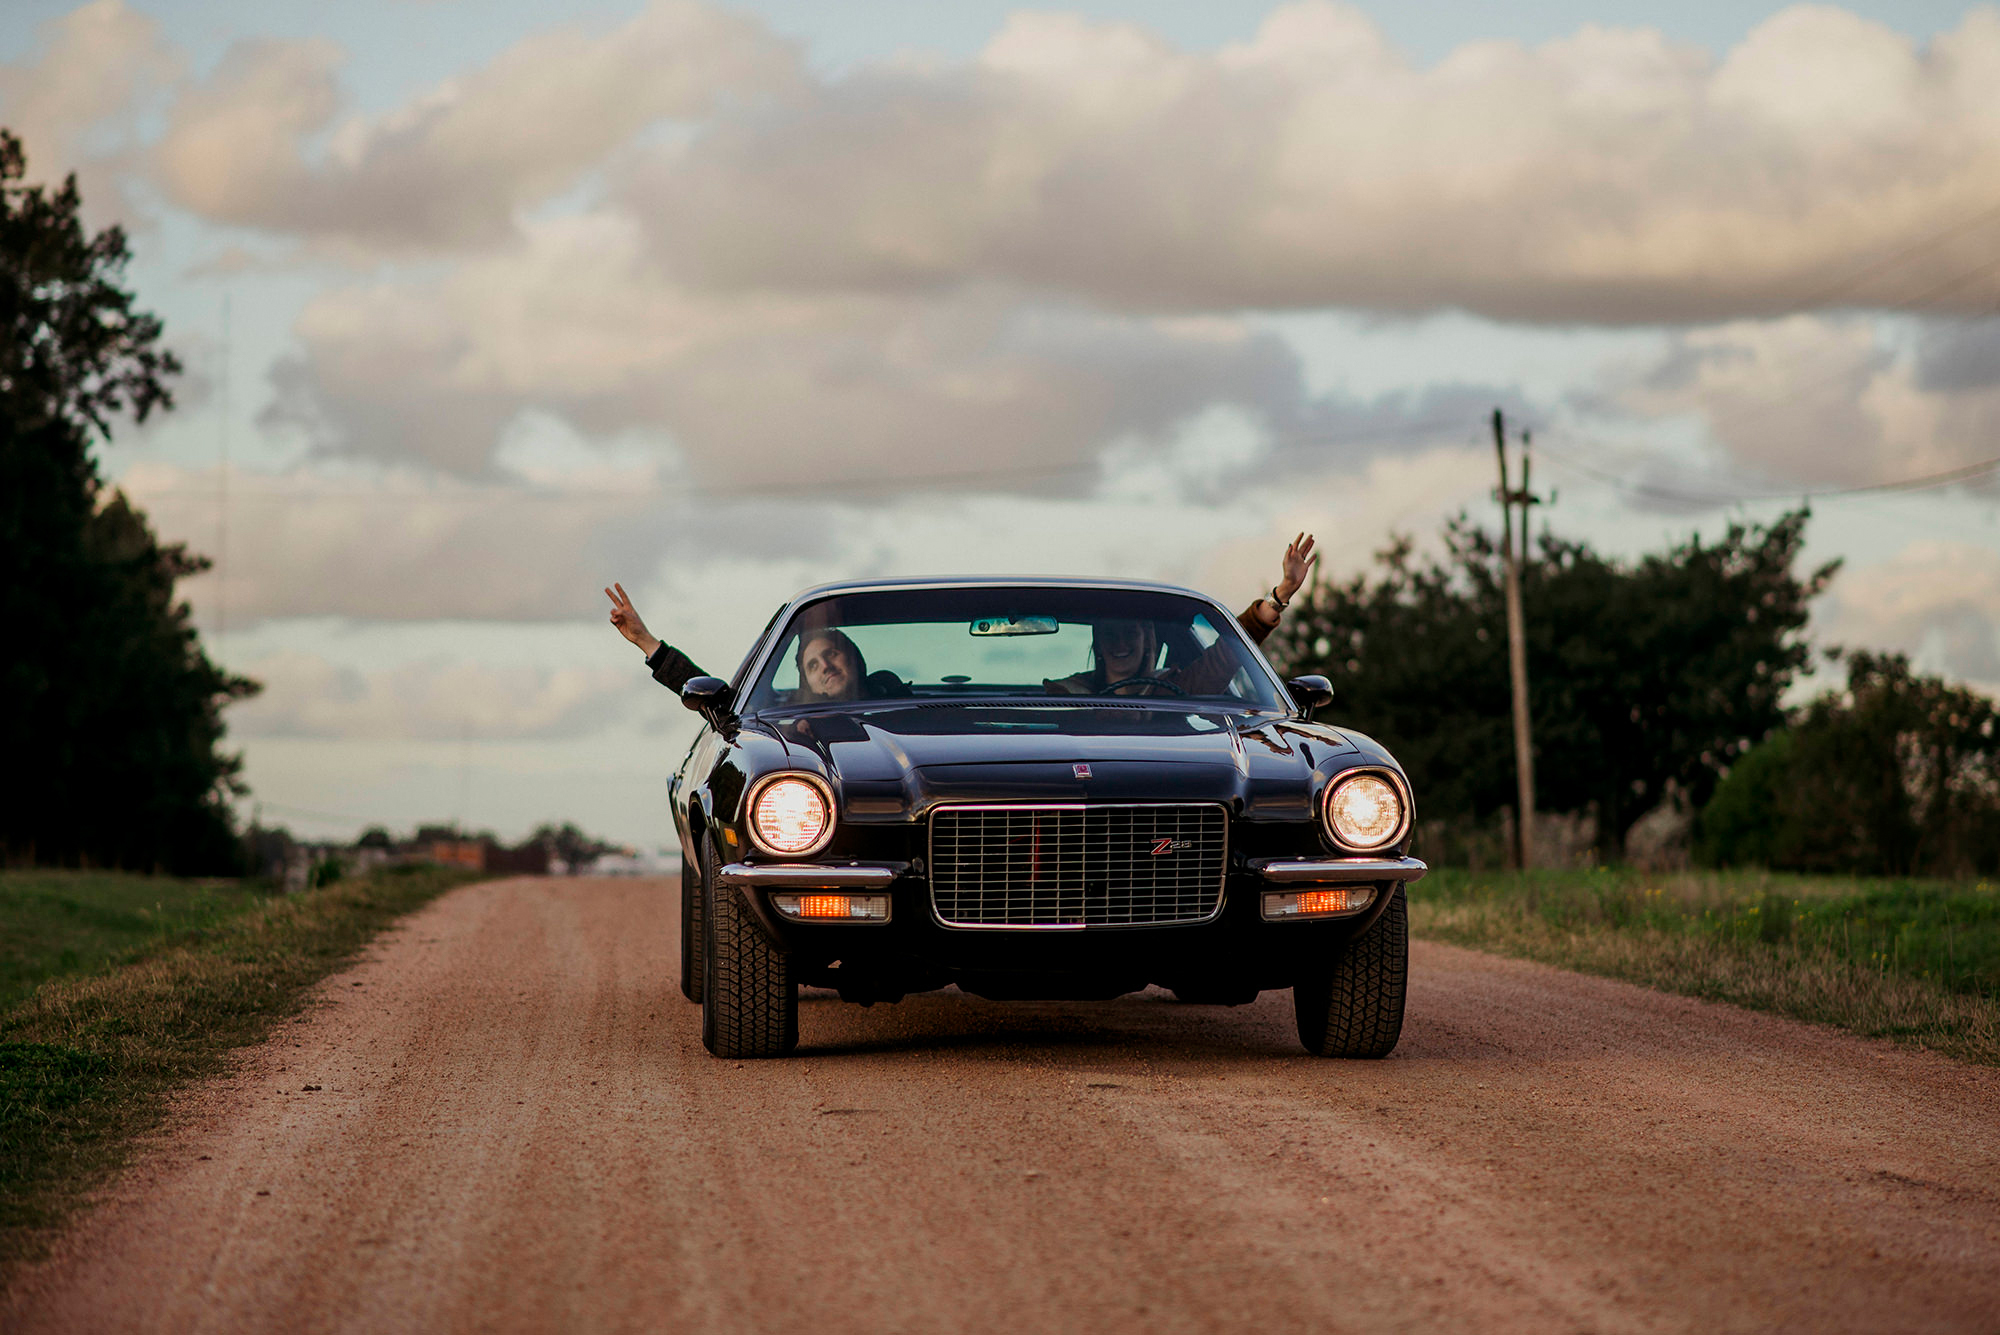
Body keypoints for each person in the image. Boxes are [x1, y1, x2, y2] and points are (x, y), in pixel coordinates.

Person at [1044, 532, 1318, 697]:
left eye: (1130, 633)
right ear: (1099, 644)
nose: (1120, 643)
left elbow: (1228, 654)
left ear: (1147, 641)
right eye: (1110, 635)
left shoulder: (1176, 689)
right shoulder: (1067, 695)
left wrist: (1282, 592)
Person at [604, 586, 903, 702]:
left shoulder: (903, 701)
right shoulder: (783, 727)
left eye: (832, 653)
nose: (825, 666)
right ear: (807, 682)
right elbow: (723, 706)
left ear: (856, 659)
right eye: (813, 665)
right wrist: (645, 641)